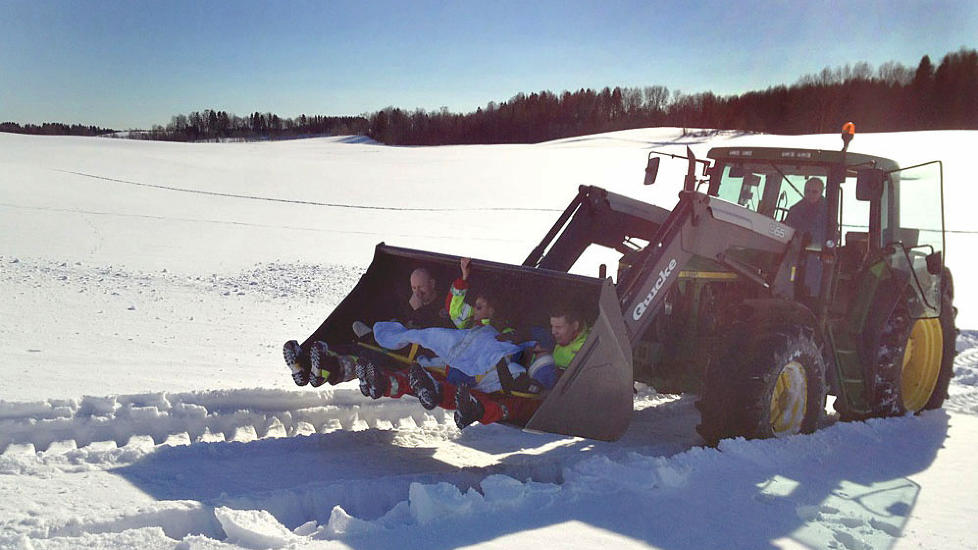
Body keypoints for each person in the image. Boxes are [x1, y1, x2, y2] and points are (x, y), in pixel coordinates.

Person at [282, 264, 450, 387]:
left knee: (364, 354)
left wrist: (416, 312)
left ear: (432, 284)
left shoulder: (441, 308)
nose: (417, 292)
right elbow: (400, 320)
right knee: (356, 346)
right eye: (414, 287)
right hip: (395, 343)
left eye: (421, 287)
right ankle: (303, 365)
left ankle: (324, 368)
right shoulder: (411, 301)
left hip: (409, 354)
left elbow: (433, 334)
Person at [785, 177, 827, 298]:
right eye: (807, 191)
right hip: (796, 254)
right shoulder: (794, 210)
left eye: (814, 191)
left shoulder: (829, 212)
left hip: (818, 256)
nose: (810, 194)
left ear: (821, 192)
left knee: (811, 287)